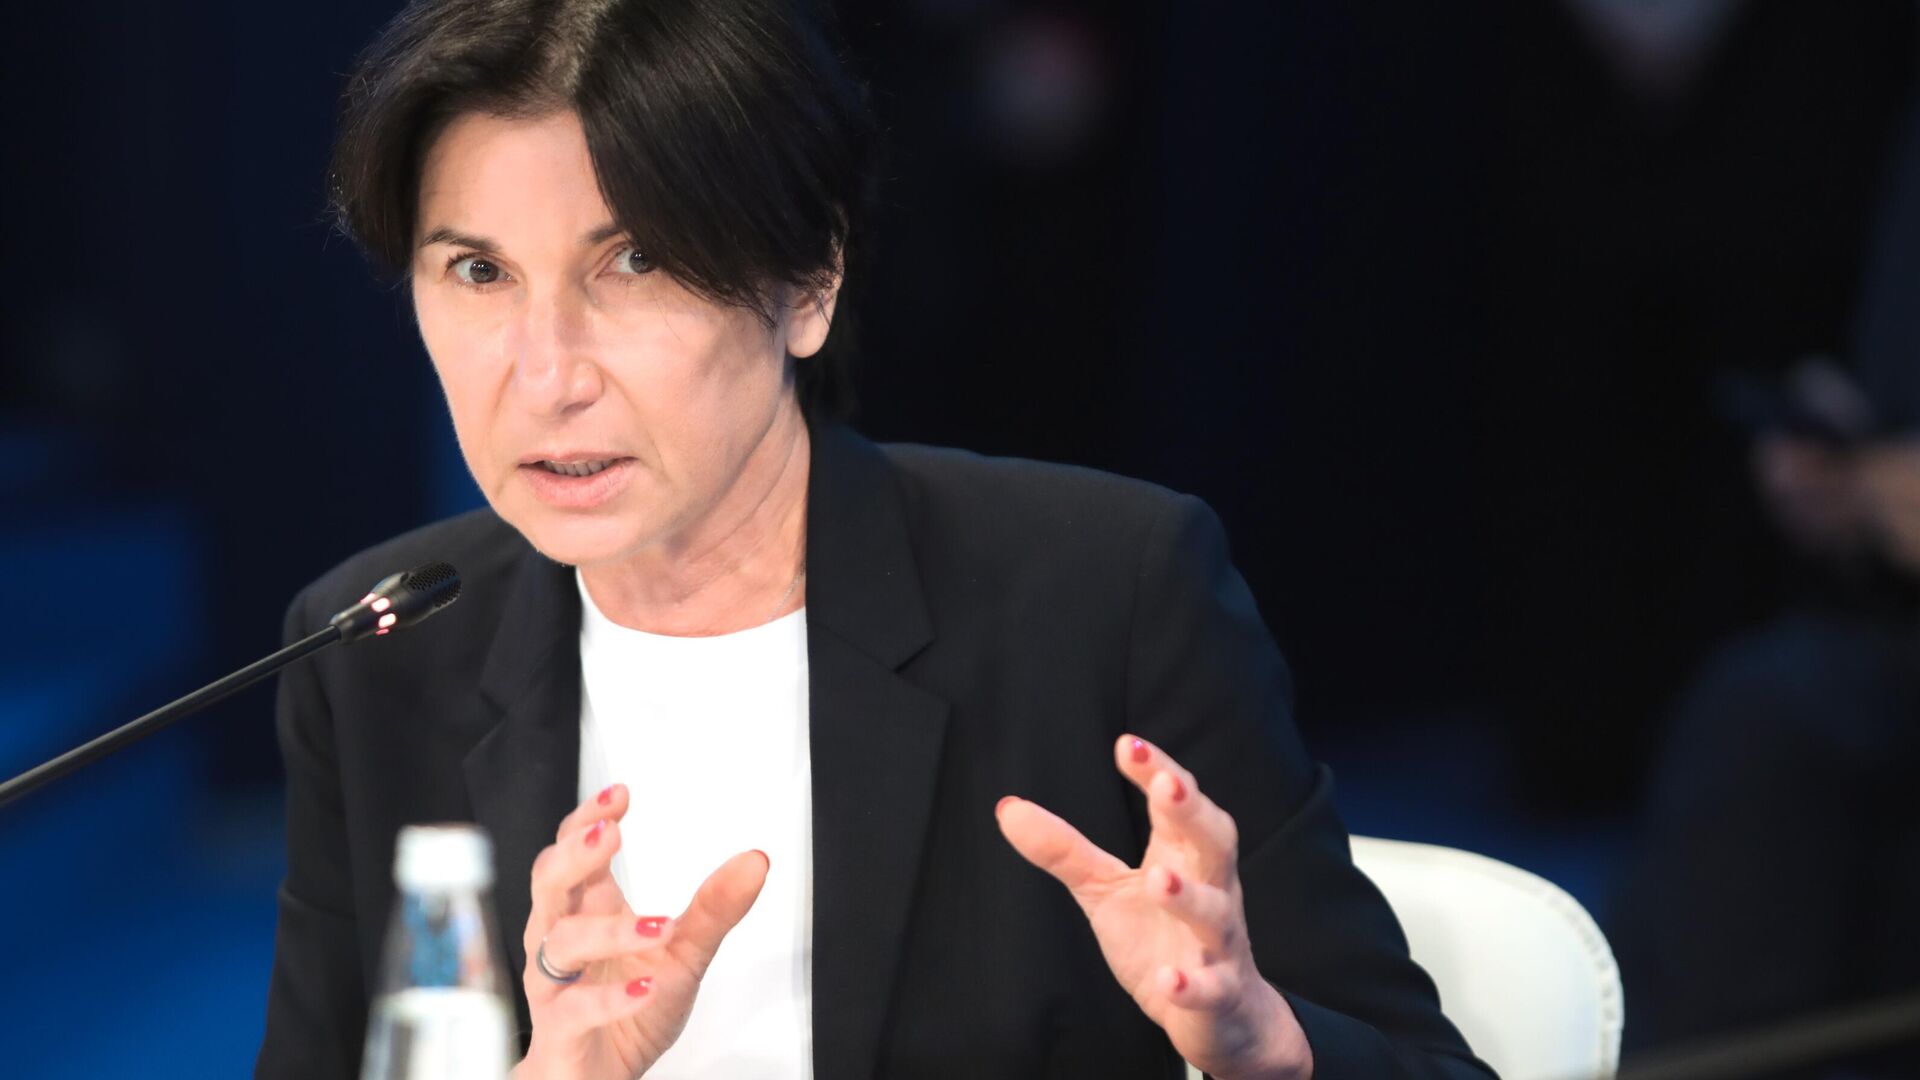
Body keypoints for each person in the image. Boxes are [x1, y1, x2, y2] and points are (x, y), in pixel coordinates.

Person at [256, 1, 1491, 1077]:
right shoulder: (373, 649)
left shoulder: (1105, 592)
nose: (545, 376)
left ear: (809, 284)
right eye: (478, 273)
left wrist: (1260, 1042)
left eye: (635, 262)